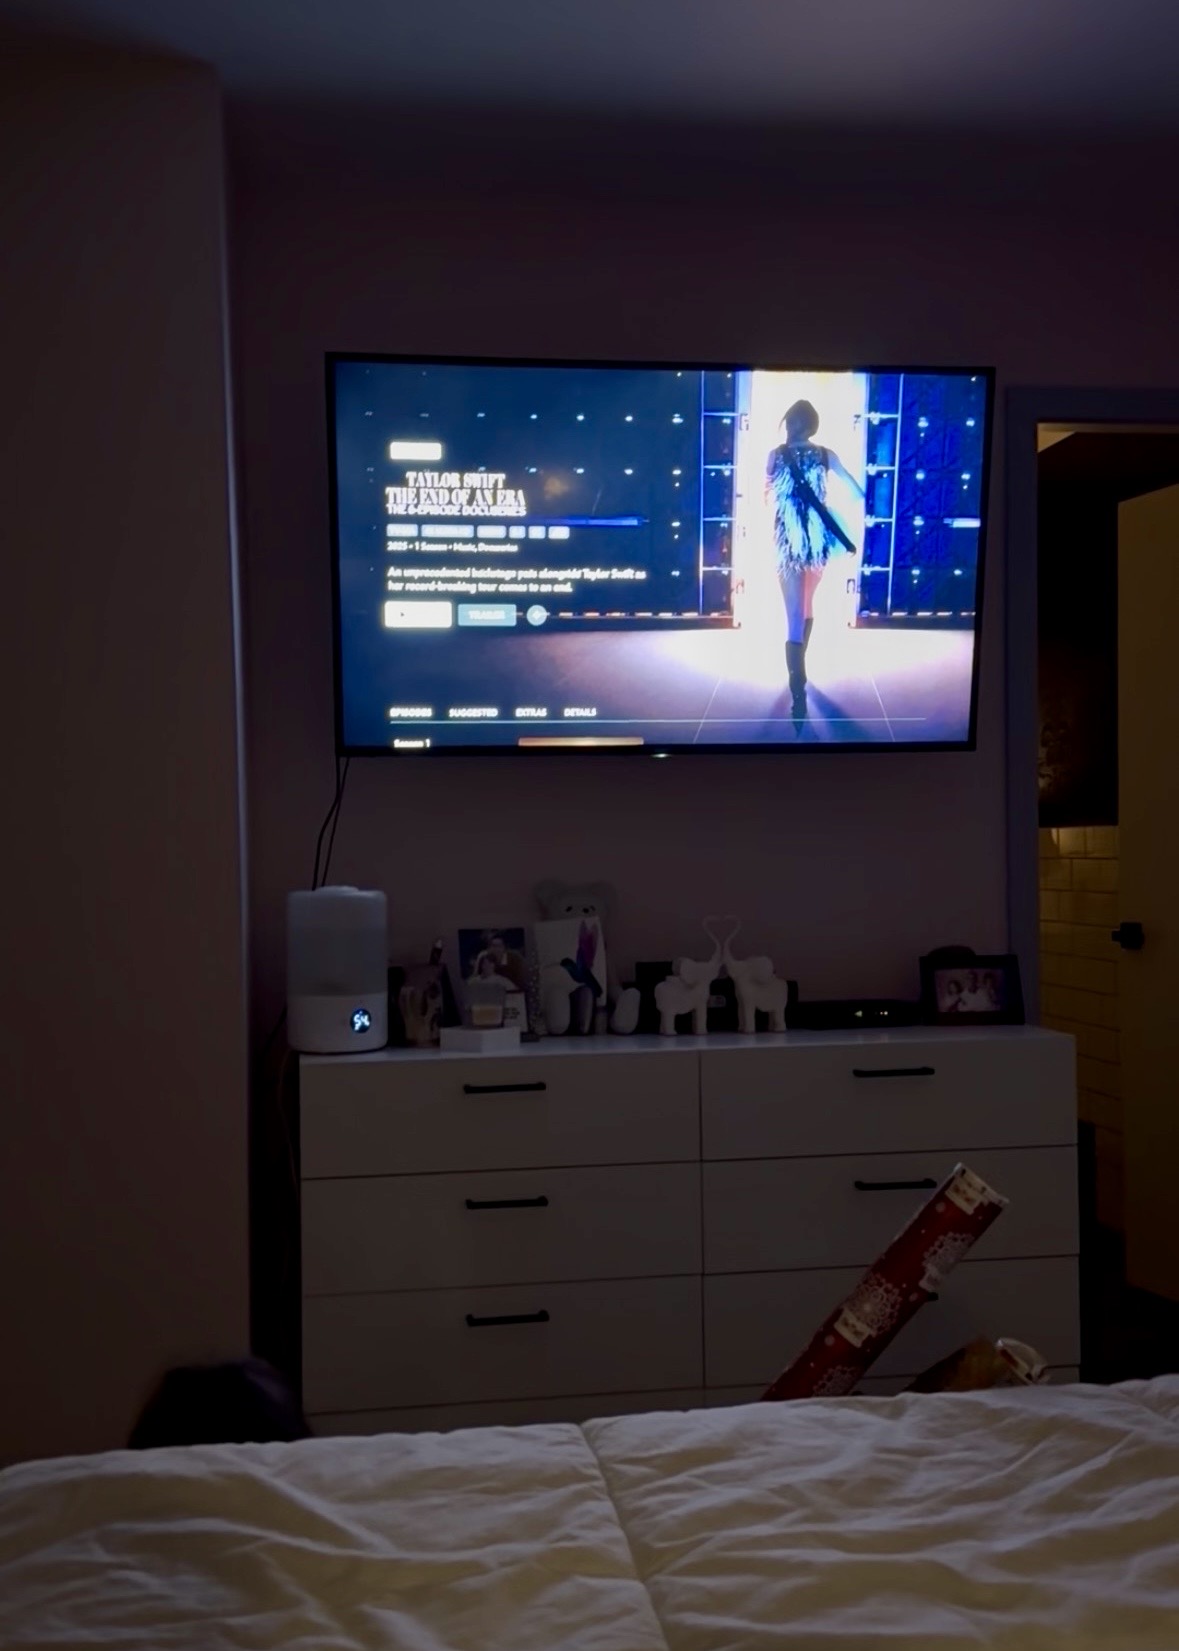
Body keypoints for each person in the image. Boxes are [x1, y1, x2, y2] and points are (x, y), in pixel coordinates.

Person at [765, 399, 865, 718]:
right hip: (817, 541)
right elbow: (856, 491)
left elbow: (766, 497)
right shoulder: (825, 455)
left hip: (789, 542)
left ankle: (798, 692)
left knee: (794, 616)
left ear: (792, 423)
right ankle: (801, 674)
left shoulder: (776, 455)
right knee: (807, 605)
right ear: (813, 425)